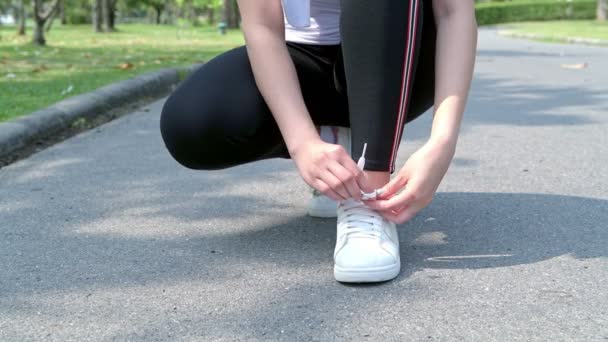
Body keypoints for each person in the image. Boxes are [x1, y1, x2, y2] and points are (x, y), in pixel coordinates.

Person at [160, 0, 477, 283]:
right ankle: (333, 147)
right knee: (191, 123)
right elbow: (261, 27)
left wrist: (443, 141)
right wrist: (303, 143)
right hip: (301, 60)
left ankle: (368, 199)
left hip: (404, 57)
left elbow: (455, 12)